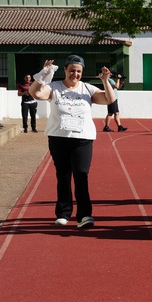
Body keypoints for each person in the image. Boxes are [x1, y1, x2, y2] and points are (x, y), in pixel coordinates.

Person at [28, 55, 117, 229]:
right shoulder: (54, 87)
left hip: (82, 139)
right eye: (72, 71)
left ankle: (84, 215)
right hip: (58, 137)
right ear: (65, 70)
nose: (75, 74)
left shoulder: (87, 89)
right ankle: (63, 213)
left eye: (78, 71)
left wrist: (105, 81)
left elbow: (109, 99)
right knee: (63, 175)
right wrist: (43, 75)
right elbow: (35, 93)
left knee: (81, 175)